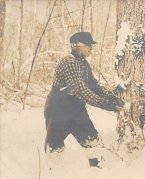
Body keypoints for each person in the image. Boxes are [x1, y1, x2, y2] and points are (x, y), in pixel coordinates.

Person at [44, 32, 125, 168]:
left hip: (76, 109)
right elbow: (82, 91)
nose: (91, 49)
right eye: (88, 45)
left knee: (92, 140)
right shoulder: (68, 62)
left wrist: (111, 97)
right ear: (77, 46)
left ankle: (97, 173)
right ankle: (53, 177)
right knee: (54, 147)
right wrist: (106, 105)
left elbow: (93, 85)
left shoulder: (83, 62)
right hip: (58, 110)